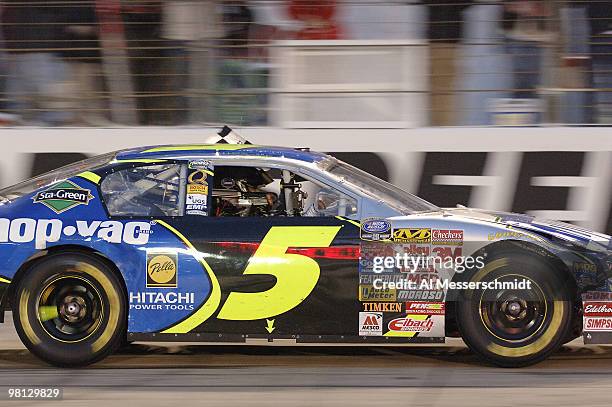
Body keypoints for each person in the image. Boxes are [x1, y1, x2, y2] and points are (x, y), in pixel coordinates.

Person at [2, 0, 73, 125]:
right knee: (19, 100)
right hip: (20, 50)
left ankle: (50, 125)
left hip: (36, 48)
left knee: (42, 96)